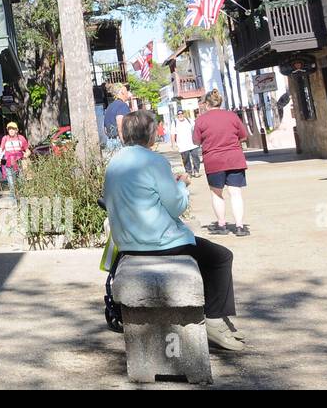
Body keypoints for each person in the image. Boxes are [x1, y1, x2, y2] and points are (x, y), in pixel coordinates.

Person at [102, 111, 246, 352]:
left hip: (127, 243)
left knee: (207, 256)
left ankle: (211, 318)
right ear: (150, 134)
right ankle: (213, 318)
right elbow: (176, 206)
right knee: (220, 257)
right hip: (159, 243)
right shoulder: (154, 161)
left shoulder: (114, 162)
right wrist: (182, 184)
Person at [193, 90, 250, 236]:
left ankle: (222, 224)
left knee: (217, 194)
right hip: (234, 158)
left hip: (214, 160)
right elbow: (243, 136)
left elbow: (196, 141)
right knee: (236, 193)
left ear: (206, 104)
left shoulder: (201, 120)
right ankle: (239, 226)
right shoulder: (232, 116)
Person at [0, 122, 29, 200]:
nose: (11, 130)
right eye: (9, 129)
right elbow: (1, 150)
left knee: (21, 181)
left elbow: (27, 150)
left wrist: (26, 155)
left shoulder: (21, 138)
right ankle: (14, 200)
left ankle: (22, 198)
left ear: (16, 130)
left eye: (13, 129)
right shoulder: (5, 138)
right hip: (8, 163)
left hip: (19, 162)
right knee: (11, 182)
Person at [102, 83, 131, 150]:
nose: (128, 93)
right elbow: (120, 127)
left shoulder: (109, 107)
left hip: (109, 142)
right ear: (122, 92)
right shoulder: (122, 106)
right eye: (126, 91)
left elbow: (105, 130)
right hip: (120, 142)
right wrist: (125, 145)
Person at [174, 109, 202, 178]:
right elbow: (173, 134)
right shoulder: (175, 122)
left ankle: (196, 171)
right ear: (177, 115)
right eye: (179, 114)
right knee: (186, 159)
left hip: (193, 143)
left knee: (195, 157)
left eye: (181, 113)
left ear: (184, 114)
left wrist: (198, 138)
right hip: (182, 145)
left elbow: (196, 129)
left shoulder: (190, 120)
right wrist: (173, 144)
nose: (180, 115)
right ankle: (189, 172)